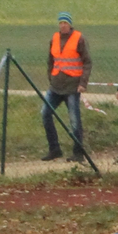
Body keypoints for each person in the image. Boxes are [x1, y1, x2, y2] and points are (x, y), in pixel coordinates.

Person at [40, 10, 90, 162]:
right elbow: (50, 60)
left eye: (65, 23)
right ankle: (54, 149)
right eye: (61, 23)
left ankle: (78, 153)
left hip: (72, 87)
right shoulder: (54, 38)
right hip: (55, 86)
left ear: (70, 24)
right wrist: (51, 77)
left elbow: (87, 62)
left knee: (74, 121)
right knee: (45, 113)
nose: (63, 25)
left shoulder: (79, 38)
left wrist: (83, 83)